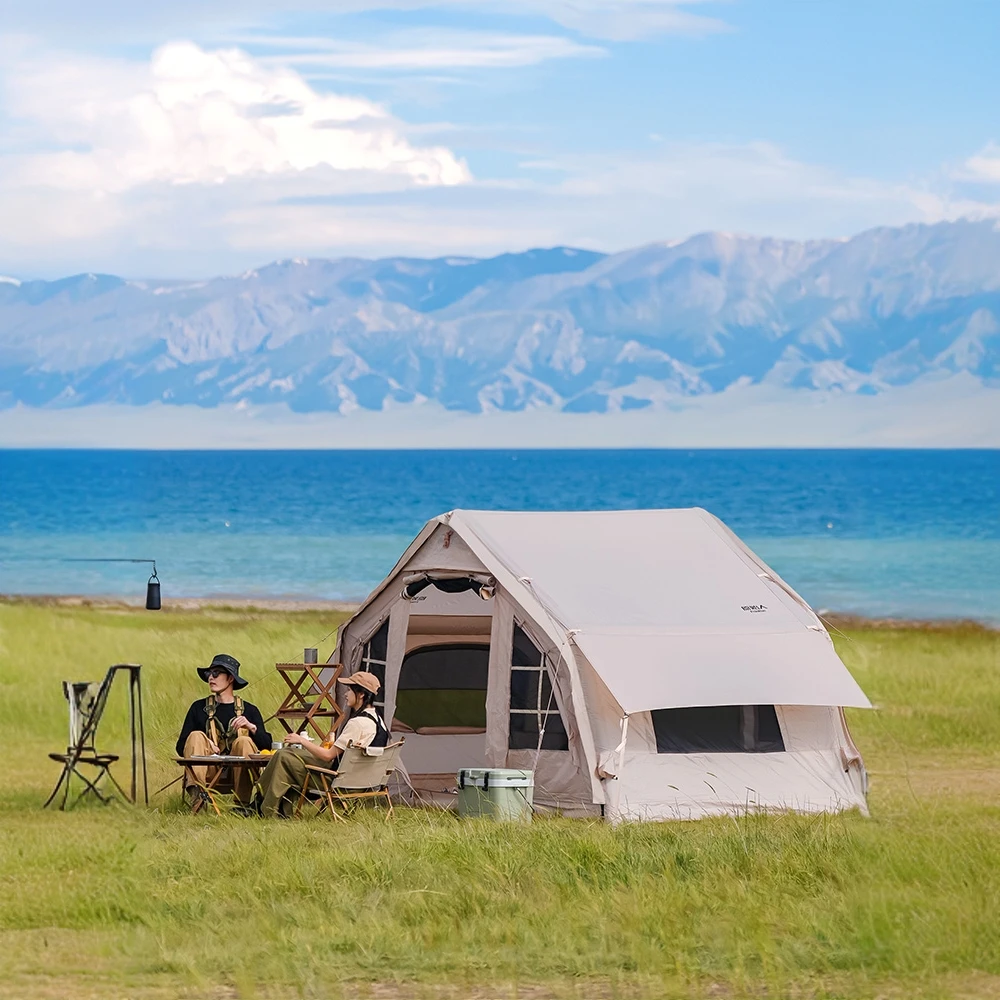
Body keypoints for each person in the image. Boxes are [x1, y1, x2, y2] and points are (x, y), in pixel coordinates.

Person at [254, 670, 388, 818]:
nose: (345, 694)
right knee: (288, 753)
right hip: (361, 780)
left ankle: (262, 805)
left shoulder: (357, 723)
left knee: (283, 757)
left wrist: (301, 740)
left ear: (361, 694)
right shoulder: (379, 721)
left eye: (350, 690)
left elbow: (328, 756)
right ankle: (274, 808)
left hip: (340, 783)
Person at [176, 653, 272, 805]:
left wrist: (251, 727)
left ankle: (242, 805)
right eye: (209, 673)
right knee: (195, 736)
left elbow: (267, 746)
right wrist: (205, 742)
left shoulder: (250, 710)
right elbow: (181, 747)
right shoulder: (198, 708)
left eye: (216, 673)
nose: (210, 678)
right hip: (208, 770)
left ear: (231, 678)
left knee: (244, 741)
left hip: (239, 773)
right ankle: (199, 797)